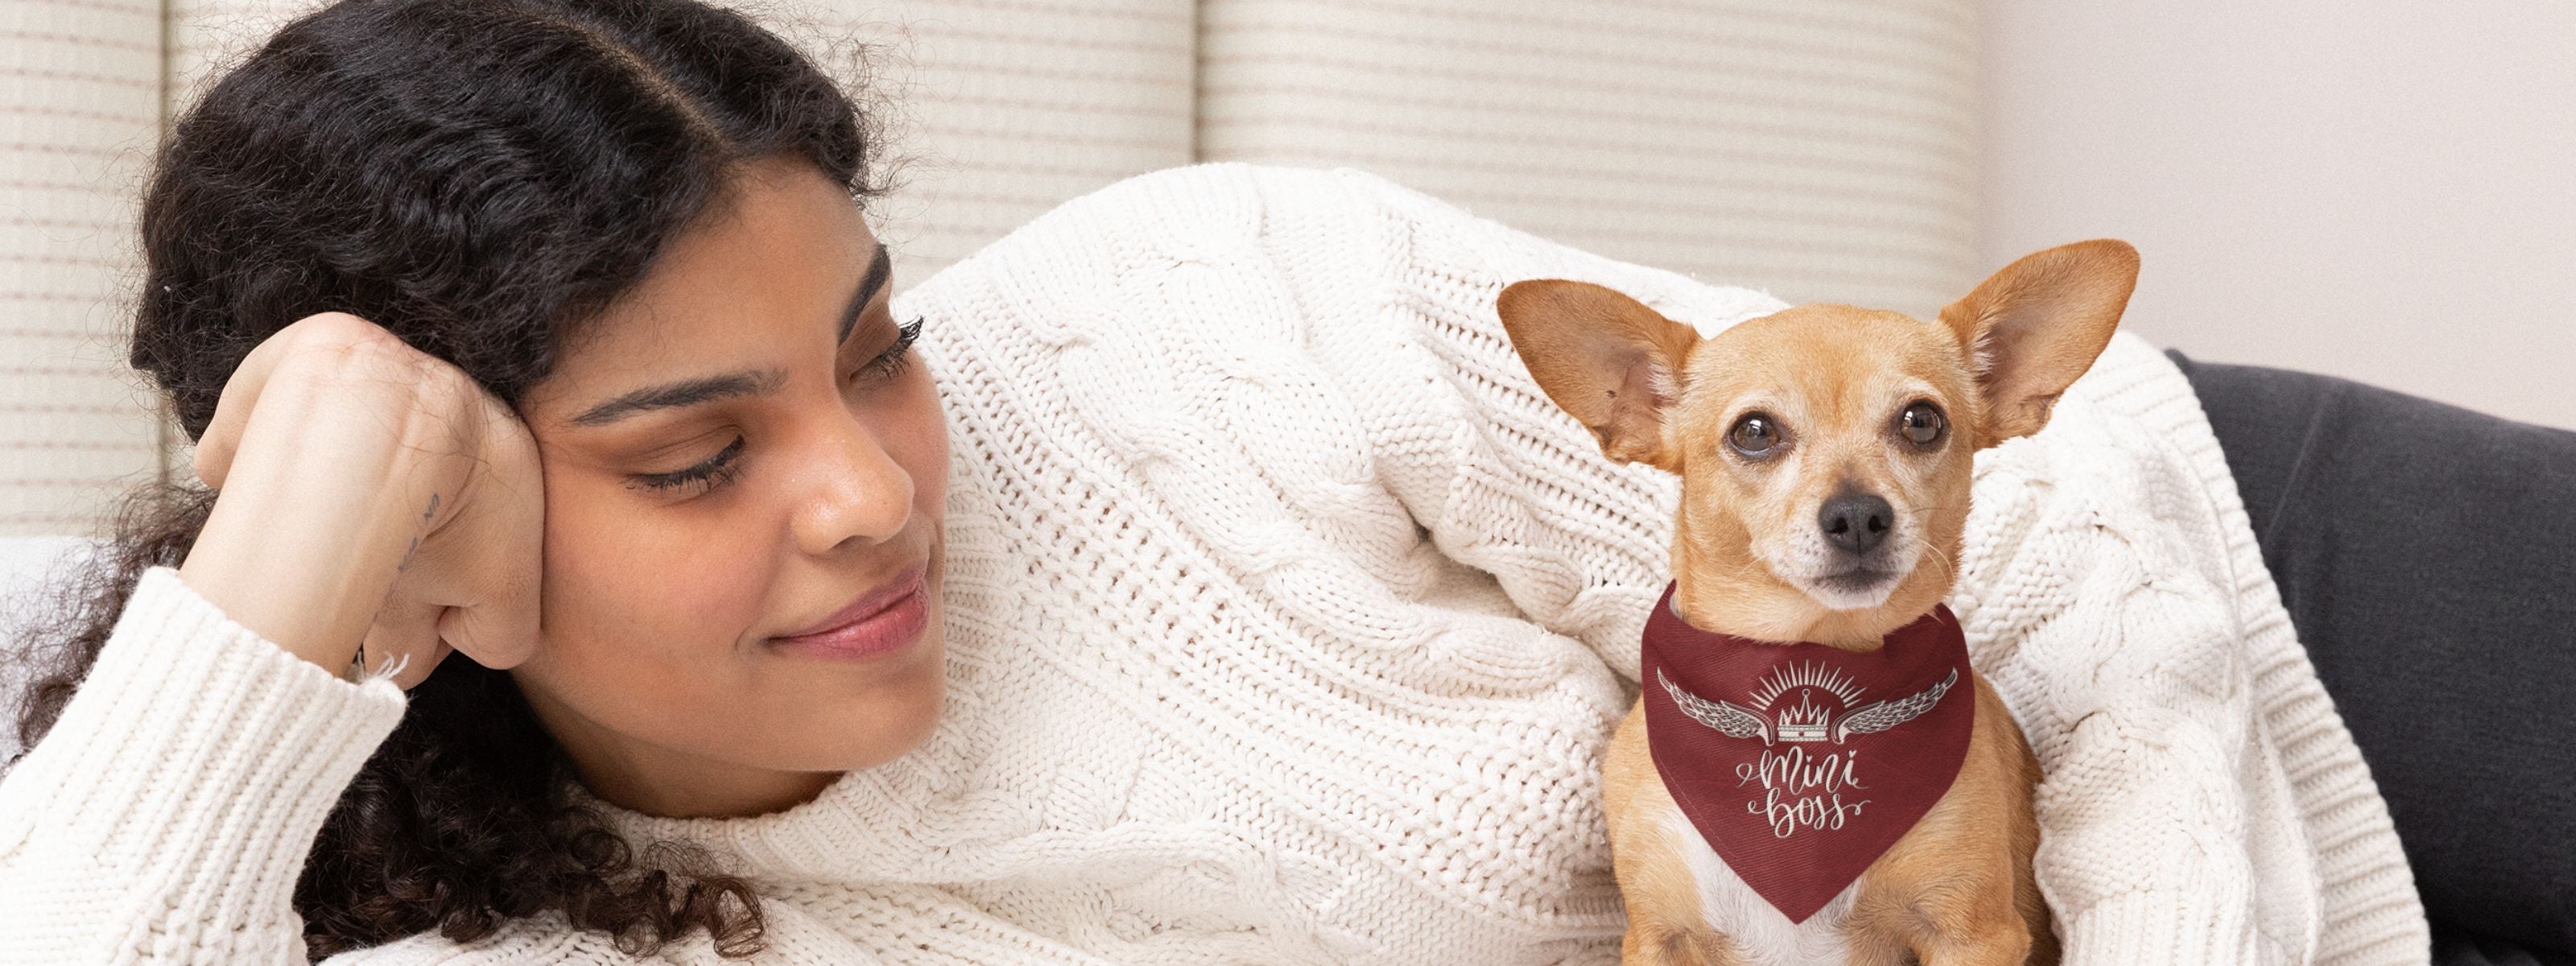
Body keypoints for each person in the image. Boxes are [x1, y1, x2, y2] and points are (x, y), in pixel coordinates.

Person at [0, 0, 2474, 962]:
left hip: (2198, 576)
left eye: (879, 352)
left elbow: (2018, 573)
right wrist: (286, 545)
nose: (870, 492)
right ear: (430, 550)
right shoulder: (524, 934)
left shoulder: (1208, 318)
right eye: (695, 455)